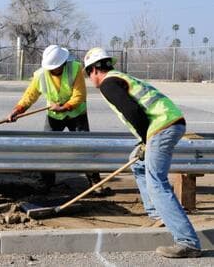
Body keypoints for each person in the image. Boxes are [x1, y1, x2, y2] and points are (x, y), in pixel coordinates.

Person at [83, 47, 201, 258]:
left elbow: (132, 111)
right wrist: (143, 142)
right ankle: (158, 213)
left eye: (88, 74)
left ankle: (187, 241)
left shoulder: (108, 83)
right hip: (169, 121)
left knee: (156, 181)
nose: (90, 79)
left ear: (93, 70)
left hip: (160, 127)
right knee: (137, 162)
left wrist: (146, 139)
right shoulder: (120, 77)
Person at [7, 45, 106, 193]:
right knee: (46, 148)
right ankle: (47, 182)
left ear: (63, 63)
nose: (53, 70)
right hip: (54, 116)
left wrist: (65, 107)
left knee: (85, 147)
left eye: (56, 67)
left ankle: (95, 183)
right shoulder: (40, 75)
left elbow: (79, 95)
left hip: (76, 114)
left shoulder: (75, 69)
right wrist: (18, 109)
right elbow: (30, 95)